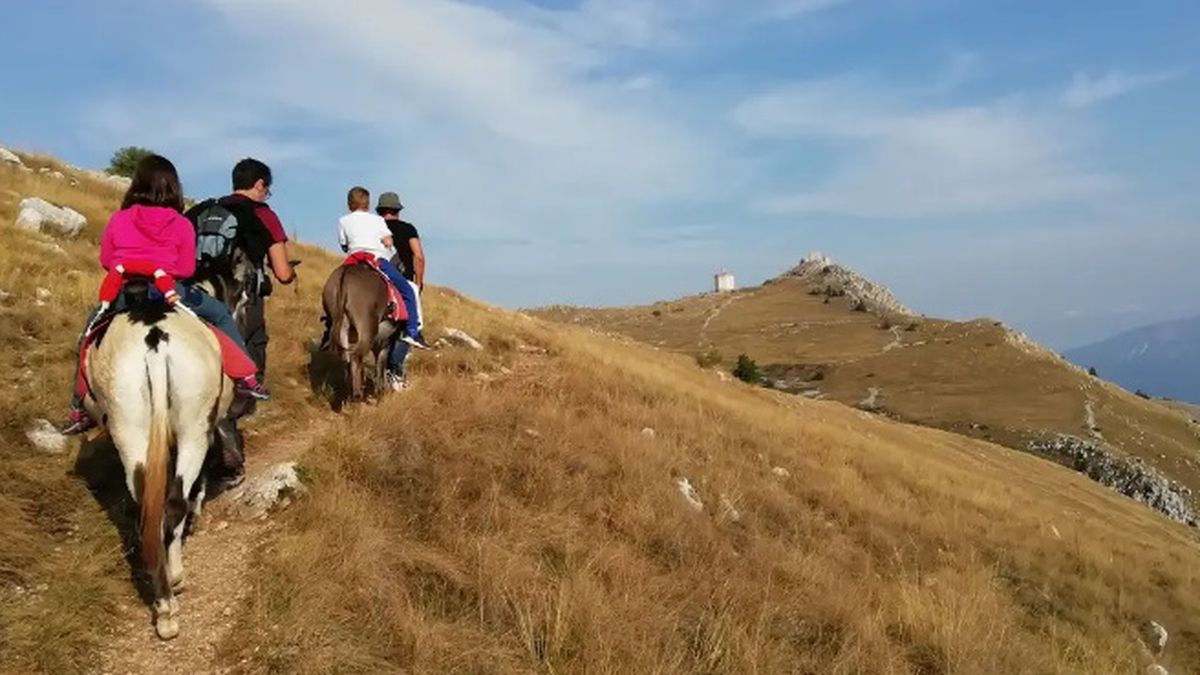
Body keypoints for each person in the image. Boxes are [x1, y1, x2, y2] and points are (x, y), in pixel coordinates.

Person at [62, 155, 268, 435]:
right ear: (174, 187)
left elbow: (107, 261)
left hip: (126, 291)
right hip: (168, 290)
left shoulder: (120, 218)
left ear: (136, 185)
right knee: (220, 315)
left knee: (88, 335)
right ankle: (246, 377)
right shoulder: (181, 223)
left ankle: (78, 408)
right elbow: (186, 269)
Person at [185, 158, 296, 378]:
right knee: (252, 350)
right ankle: (250, 391)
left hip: (197, 295)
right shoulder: (263, 215)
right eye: (267, 190)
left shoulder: (206, 210)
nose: (266, 194)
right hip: (242, 299)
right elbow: (283, 273)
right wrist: (292, 273)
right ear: (259, 184)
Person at [336, 187, 429, 379]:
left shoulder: (343, 220)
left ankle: (329, 328)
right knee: (407, 292)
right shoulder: (387, 224)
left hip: (353, 260)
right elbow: (402, 249)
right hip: (377, 262)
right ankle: (411, 334)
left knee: (337, 287)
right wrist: (418, 282)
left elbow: (344, 244)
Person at [376, 191, 427, 386]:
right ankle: (395, 370)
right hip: (402, 280)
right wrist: (418, 283)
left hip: (377, 275)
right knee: (410, 325)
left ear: (380, 210)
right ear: (398, 210)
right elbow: (418, 256)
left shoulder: (375, 228)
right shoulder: (408, 229)